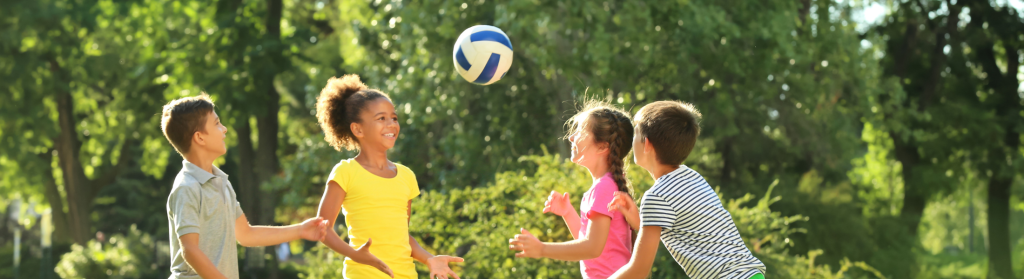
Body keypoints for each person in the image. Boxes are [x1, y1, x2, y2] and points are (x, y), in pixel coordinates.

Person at [162, 95, 329, 279]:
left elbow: (246, 234)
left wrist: (299, 230)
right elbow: (190, 250)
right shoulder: (187, 187)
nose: (224, 129)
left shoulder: (221, 182)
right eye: (217, 124)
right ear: (200, 137)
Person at [313, 74, 464, 279]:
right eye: (381, 118)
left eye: (394, 118)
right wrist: (355, 254)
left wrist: (429, 258)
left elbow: (402, 236)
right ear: (358, 128)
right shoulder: (345, 172)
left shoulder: (406, 176)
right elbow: (322, 228)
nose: (391, 124)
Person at [606, 101, 766, 279]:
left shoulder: (657, 196)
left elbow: (639, 271)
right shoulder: (691, 177)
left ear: (647, 145)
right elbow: (687, 229)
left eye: (635, 133)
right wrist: (640, 220)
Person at [508, 101, 634, 279]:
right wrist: (568, 212)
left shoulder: (604, 188)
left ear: (602, 146)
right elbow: (591, 243)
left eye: (581, 131)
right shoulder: (604, 186)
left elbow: (592, 248)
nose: (571, 137)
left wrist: (542, 248)